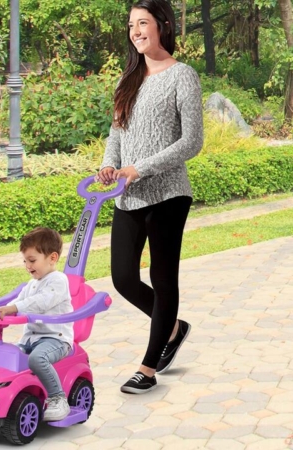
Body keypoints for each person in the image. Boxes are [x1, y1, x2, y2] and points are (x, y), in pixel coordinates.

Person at [96, 0, 203, 394]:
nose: (136, 31)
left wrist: (140, 168)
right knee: (123, 277)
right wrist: (111, 166)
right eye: (131, 26)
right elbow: (117, 133)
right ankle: (173, 328)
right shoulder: (128, 78)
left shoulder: (183, 76)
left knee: (162, 276)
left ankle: (148, 367)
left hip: (168, 195)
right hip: (127, 195)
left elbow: (192, 141)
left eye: (143, 23)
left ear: (162, 25)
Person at [0, 227, 74, 420]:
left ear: (52, 258)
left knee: (37, 359)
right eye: (24, 261)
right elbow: (17, 303)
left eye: (32, 260)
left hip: (56, 340)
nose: (27, 266)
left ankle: (58, 399)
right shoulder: (31, 284)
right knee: (7, 358)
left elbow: (40, 303)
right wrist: (1, 310)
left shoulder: (58, 281)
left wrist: (15, 308)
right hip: (31, 340)